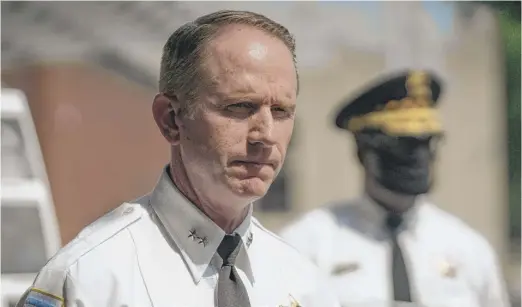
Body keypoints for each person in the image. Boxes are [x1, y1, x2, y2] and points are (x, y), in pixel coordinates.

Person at [17, 10, 340, 307]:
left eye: (281, 111)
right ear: (171, 119)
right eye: (239, 107)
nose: (265, 134)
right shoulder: (88, 278)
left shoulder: (304, 285)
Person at [280, 71, 510, 307]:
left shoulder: (468, 249)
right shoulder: (309, 244)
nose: (419, 157)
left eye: (427, 142)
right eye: (404, 145)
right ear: (363, 150)